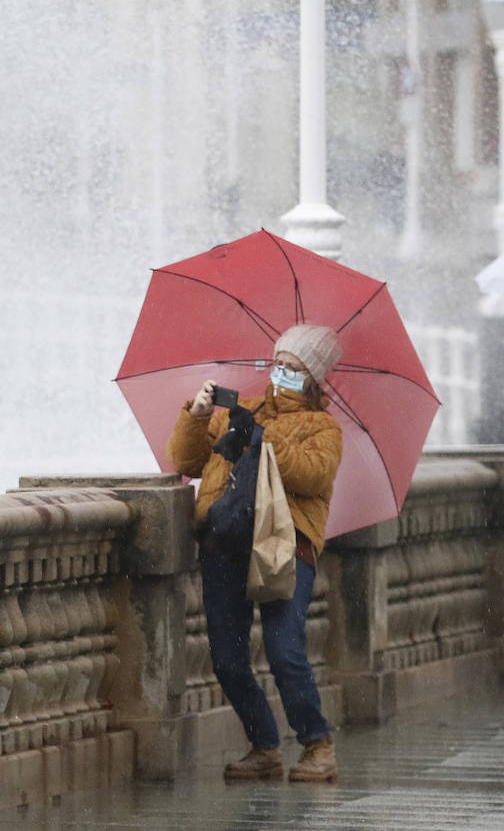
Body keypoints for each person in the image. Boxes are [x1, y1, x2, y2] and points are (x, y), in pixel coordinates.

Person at [166, 324, 343, 783]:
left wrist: (263, 437)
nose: (280, 371)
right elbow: (185, 462)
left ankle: (317, 743)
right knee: (226, 658)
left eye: (293, 367)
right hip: (225, 542)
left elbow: (311, 475)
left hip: (285, 546)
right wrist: (199, 415)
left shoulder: (323, 428)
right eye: (278, 362)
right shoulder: (237, 410)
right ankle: (263, 744)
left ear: (312, 378)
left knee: (286, 653)